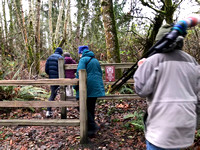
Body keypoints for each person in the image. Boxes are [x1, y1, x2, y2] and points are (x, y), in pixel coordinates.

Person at [133, 25, 200, 150]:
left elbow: (141, 89)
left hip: (160, 128)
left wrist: (142, 68)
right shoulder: (192, 62)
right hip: (185, 126)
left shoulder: (153, 61)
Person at [74, 45, 105, 136]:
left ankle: (93, 126)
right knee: (90, 108)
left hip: (87, 87)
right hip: (96, 87)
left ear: (81, 53)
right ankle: (91, 131)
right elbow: (100, 73)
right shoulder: (95, 60)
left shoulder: (83, 60)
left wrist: (75, 86)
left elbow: (80, 73)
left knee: (81, 106)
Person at [45, 47, 63, 118]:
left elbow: (46, 69)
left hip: (52, 79)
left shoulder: (49, 58)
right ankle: (64, 109)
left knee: (52, 94)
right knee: (63, 93)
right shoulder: (60, 58)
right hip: (60, 79)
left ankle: (48, 111)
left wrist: (50, 75)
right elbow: (63, 69)